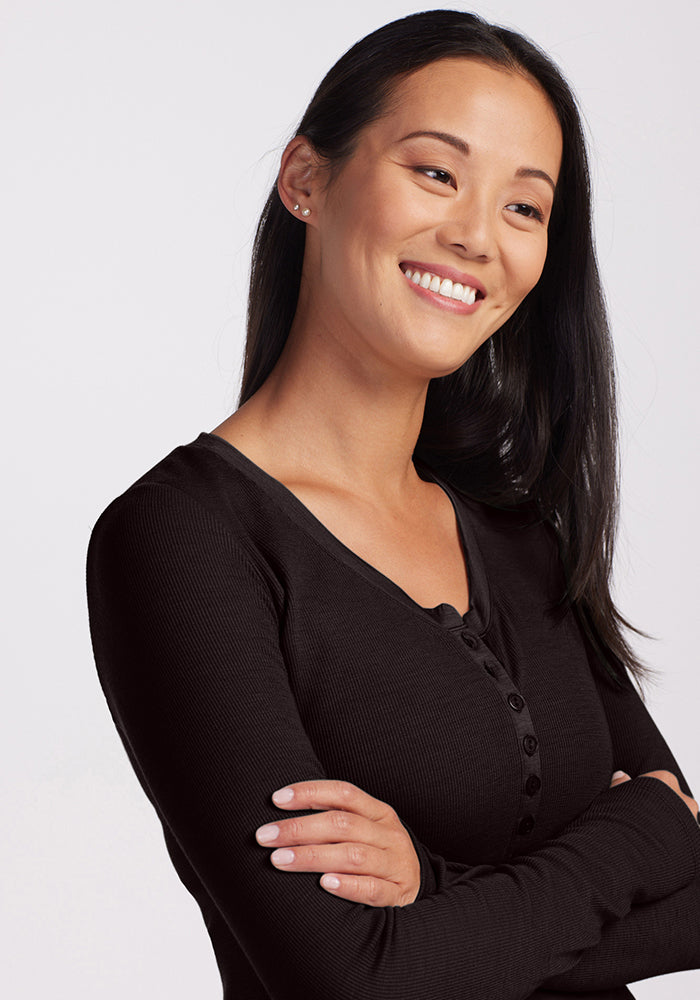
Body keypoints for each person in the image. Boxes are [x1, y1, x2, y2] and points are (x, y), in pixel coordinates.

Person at [85, 10, 700, 999]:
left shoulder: (520, 537)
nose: (474, 236)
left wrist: (435, 888)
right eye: (435, 172)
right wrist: (639, 832)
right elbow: (351, 976)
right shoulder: (179, 540)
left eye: (525, 208)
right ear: (306, 180)